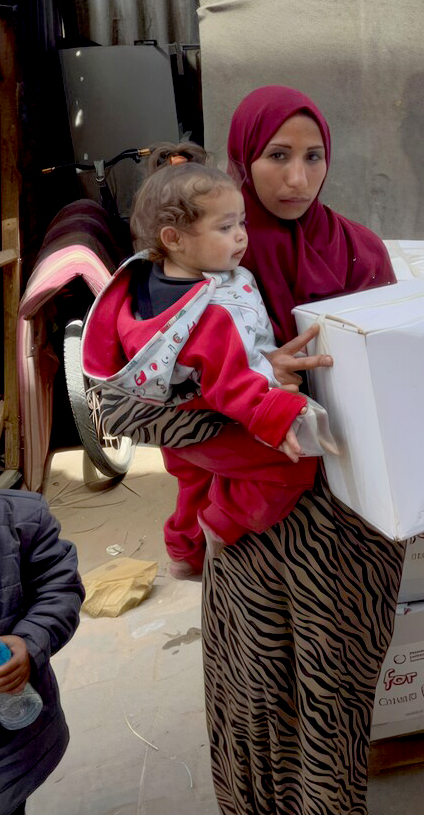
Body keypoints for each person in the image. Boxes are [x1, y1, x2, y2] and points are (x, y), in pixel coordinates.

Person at [92, 86, 403, 815]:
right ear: (242, 157)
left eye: (313, 155)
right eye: (277, 156)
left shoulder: (360, 249)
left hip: (358, 523)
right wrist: (247, 416)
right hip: (261, 520)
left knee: (340, 682)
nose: (297, 176)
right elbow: (133, 406)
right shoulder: (205, 262)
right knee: (260, 690)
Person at [85, 163, 335, 578]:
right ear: (174, 239)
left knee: (193, 481)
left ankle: (183, 551)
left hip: (172, 419)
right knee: (292, 467)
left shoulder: (153, 281)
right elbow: (232, 386)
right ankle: (219, 526)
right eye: (225, 228)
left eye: (241, 223)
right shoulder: (211, 315)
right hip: (212, 415)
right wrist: (277, 414)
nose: (241, 236)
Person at [0, 491, 84, 815]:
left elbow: (59, 586)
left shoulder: (18, 517)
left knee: (9, 790)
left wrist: (29, 642)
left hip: (11, 714)